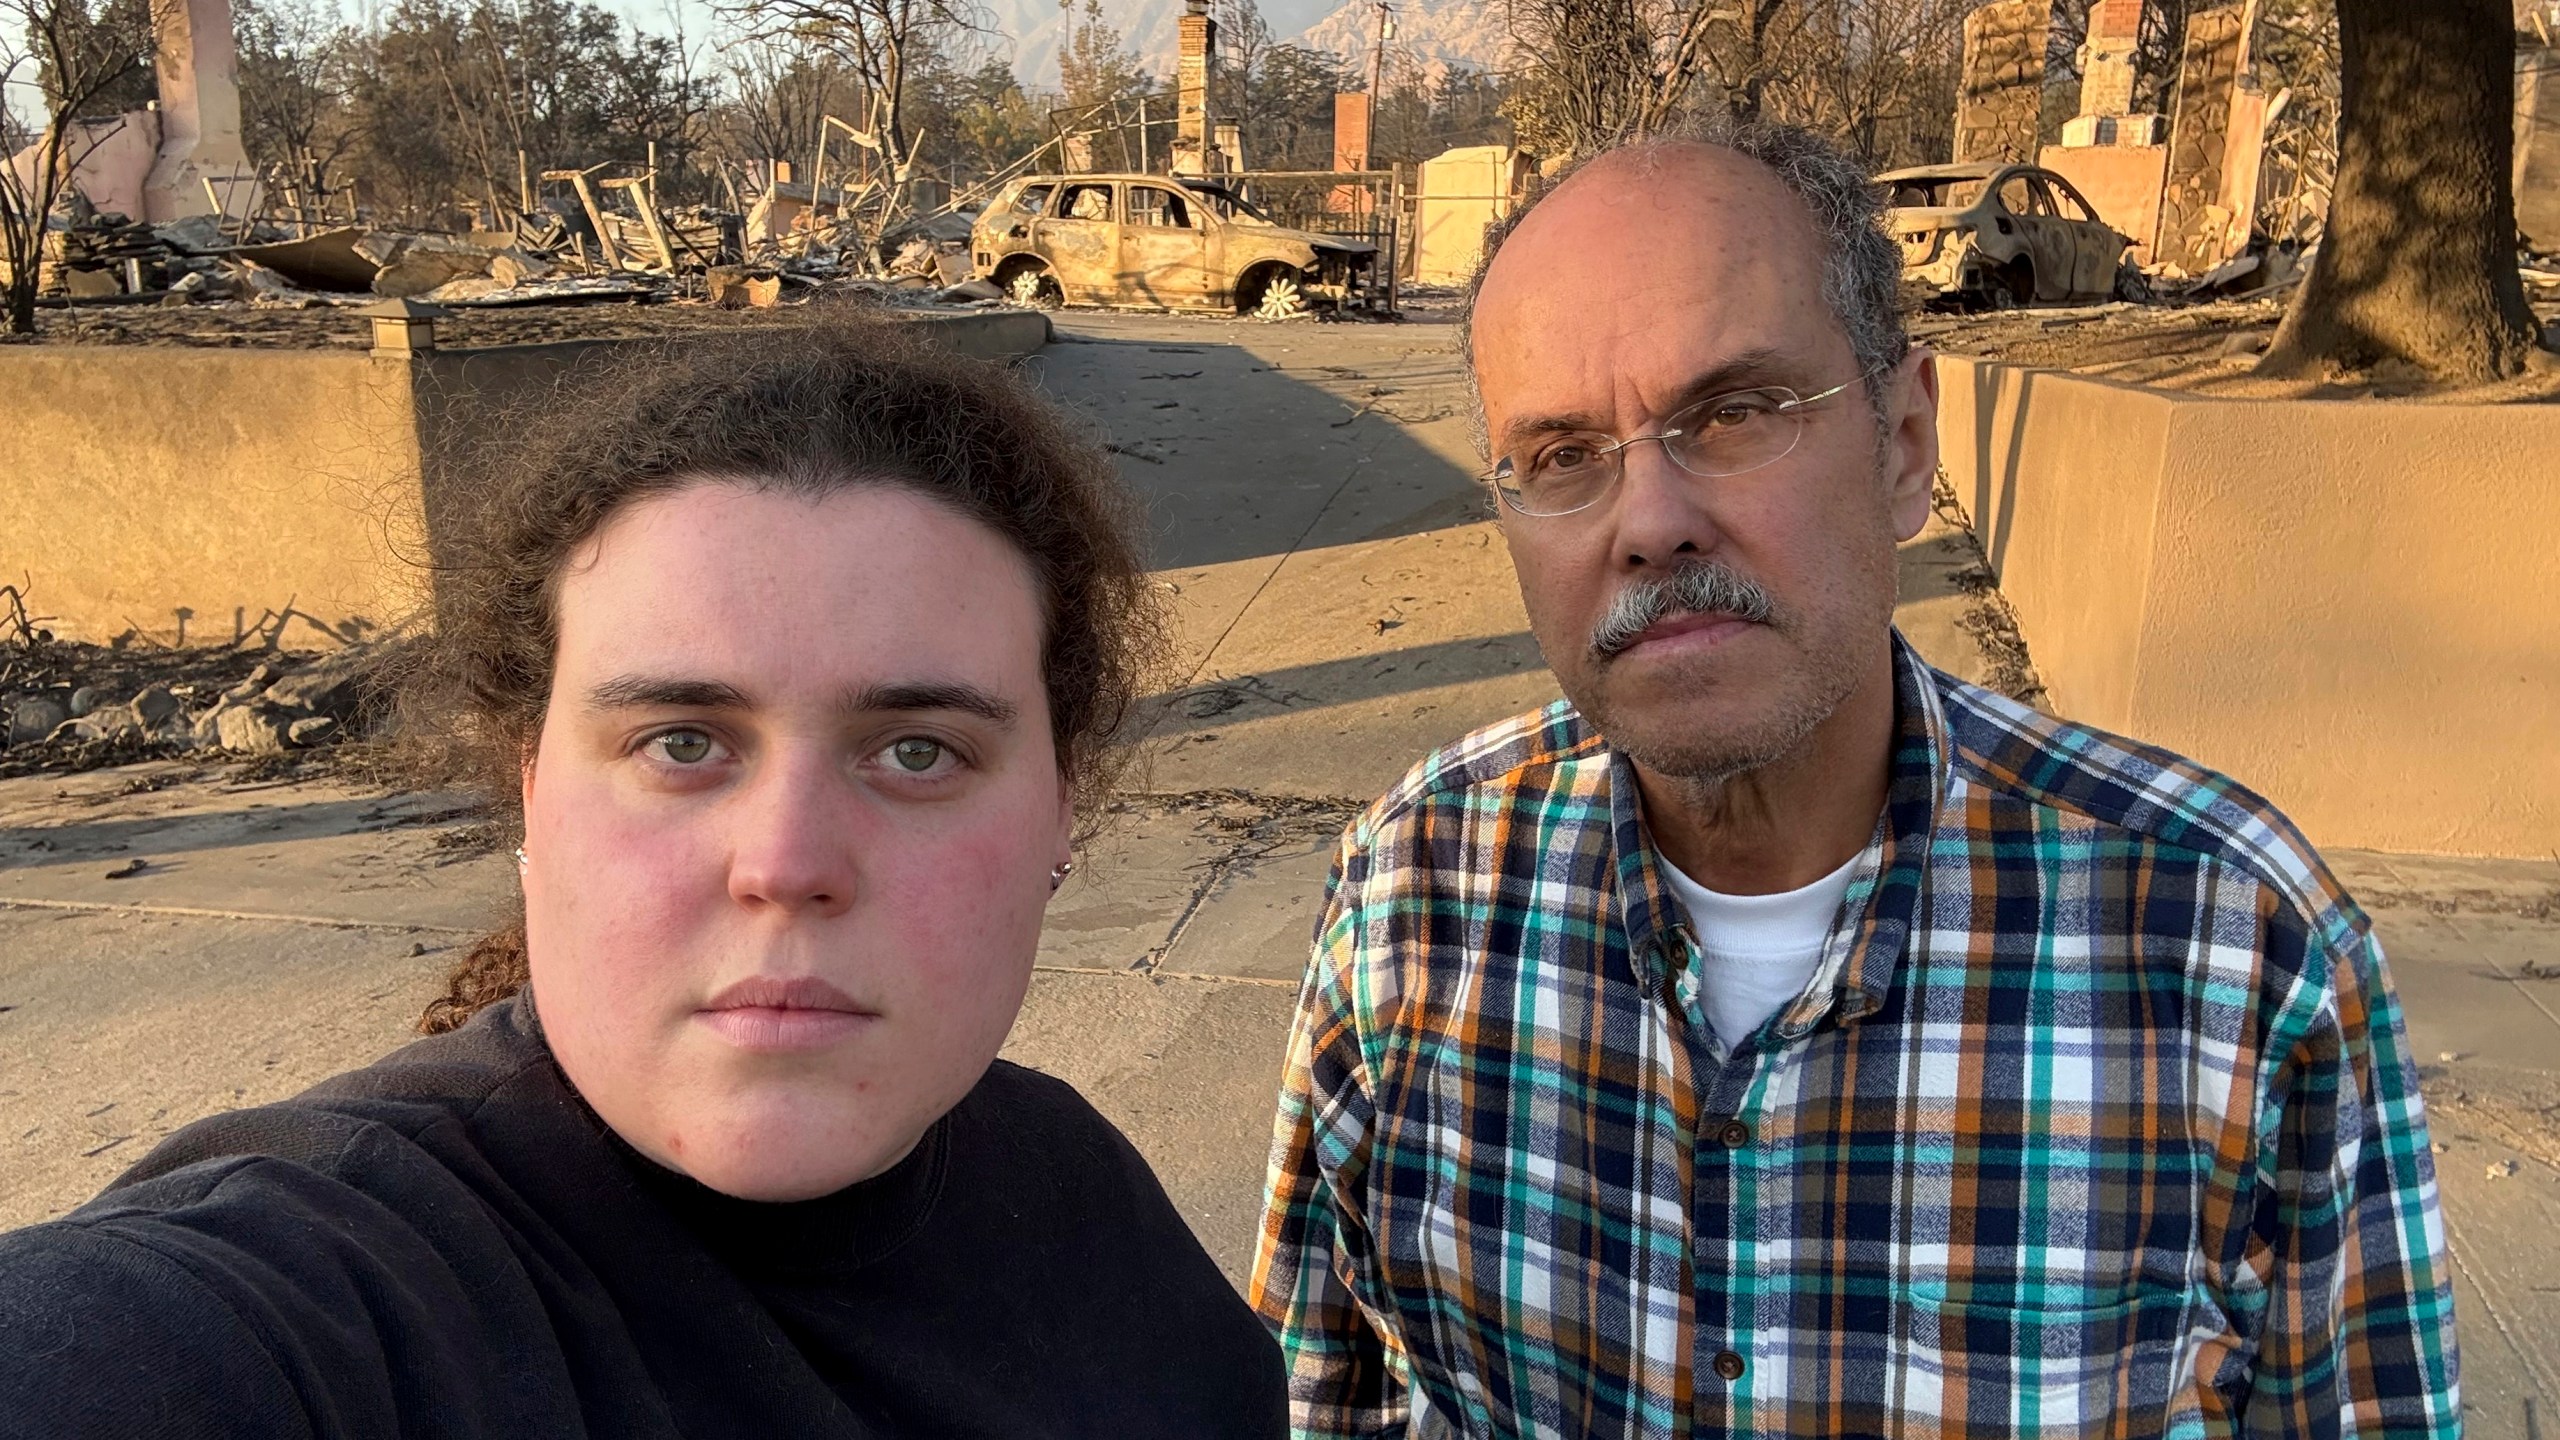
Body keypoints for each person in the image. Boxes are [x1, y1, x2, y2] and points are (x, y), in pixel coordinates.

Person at [1251, 121, 2456, 1439]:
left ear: (1903, 442)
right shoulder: (1413, 893)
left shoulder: (2231, 951)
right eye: (1562, 456)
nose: (1647, 521)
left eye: (1733, 412)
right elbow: (1323, 1398)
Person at [0, 319, 1287, 1438]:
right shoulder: (316, 1295)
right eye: (681, 743)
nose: (785, 865)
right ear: (532, 789)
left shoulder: (1076, 1195)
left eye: (916, 750)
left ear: (1063, 806)